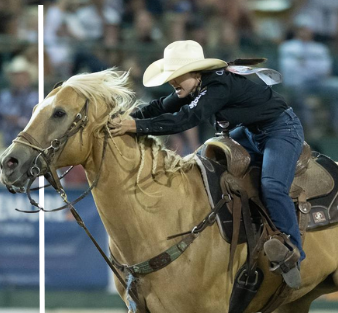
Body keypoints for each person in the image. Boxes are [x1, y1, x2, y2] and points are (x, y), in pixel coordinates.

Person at [107, 40, 307, 289]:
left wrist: (135, 127)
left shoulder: (217, 86)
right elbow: (161, 107)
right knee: (205, 163)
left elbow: (185, 119)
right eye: (171, 77)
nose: (172, 82)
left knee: (272, 185)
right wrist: (127, 118)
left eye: (177, 76)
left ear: (195, 72)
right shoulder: (197, 87)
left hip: (280, 129)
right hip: (251, 131)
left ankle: (293, 251)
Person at [0, 55, 37, 140]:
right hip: (3, 142)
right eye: (15, 75)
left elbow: (38, 124)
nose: (18, 78)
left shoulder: (36, 97)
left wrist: (18, 121)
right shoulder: (3, 96)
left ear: (28, 77)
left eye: (22, 75)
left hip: (27, 143)